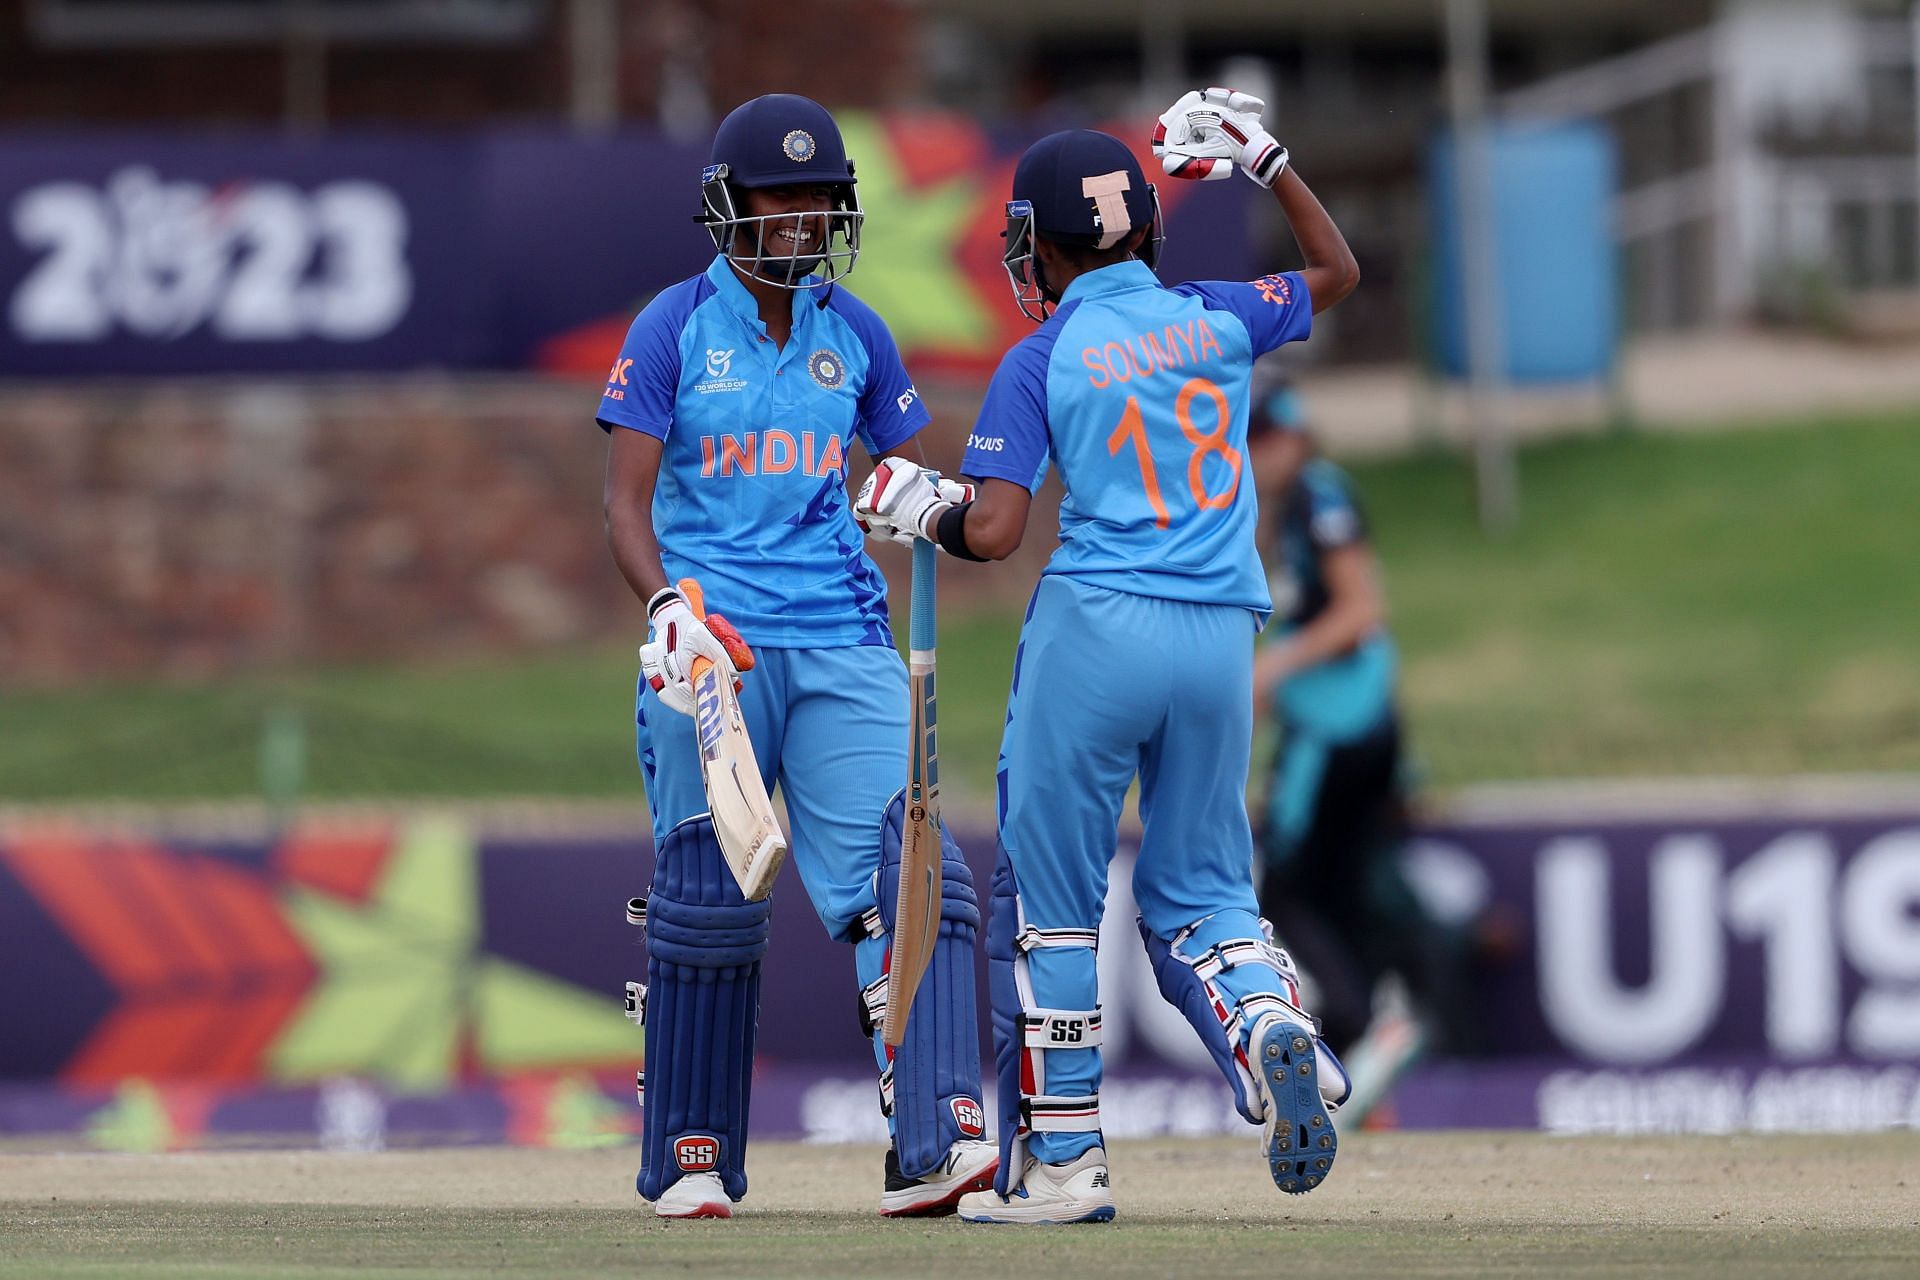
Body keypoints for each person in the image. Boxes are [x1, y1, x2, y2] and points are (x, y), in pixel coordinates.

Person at [854, 88, 1359, 1224]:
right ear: (1143, 225)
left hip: (1100, 627)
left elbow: (991, 529)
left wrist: (915, 506)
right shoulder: (1219, 313)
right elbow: (1336, 277)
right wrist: (1270, 161)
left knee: (1053, 902)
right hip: (1223, 632)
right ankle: (1270, 1020)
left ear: (1043, 242)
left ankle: (1065, 1161)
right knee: (1205, 892)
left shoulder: (1043, 355)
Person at [596, 93, 995, 1220]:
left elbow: (904, 486)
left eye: (822, 198)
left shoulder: (856, 332)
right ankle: (691, 1152)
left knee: (916, 875)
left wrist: (940, 503)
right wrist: (667, 604)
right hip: (708, 652)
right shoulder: (672, 328)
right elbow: (624, 508)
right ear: (728, 207)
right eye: (782, 197)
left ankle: (936, 1137)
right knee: (708, 900)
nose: (804, 219)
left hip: (843, 637)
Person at [1245, 372, 1477, 1108]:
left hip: (1332, 731)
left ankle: (1350, 1023)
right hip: (1365, 726)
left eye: (1259, 440)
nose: (1252, 456)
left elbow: (1360, 611)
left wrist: (1274, 668)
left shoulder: (1319, 496)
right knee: (1340, 883)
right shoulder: (1297, 503)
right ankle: (1375, 1037)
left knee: (1281, 883)